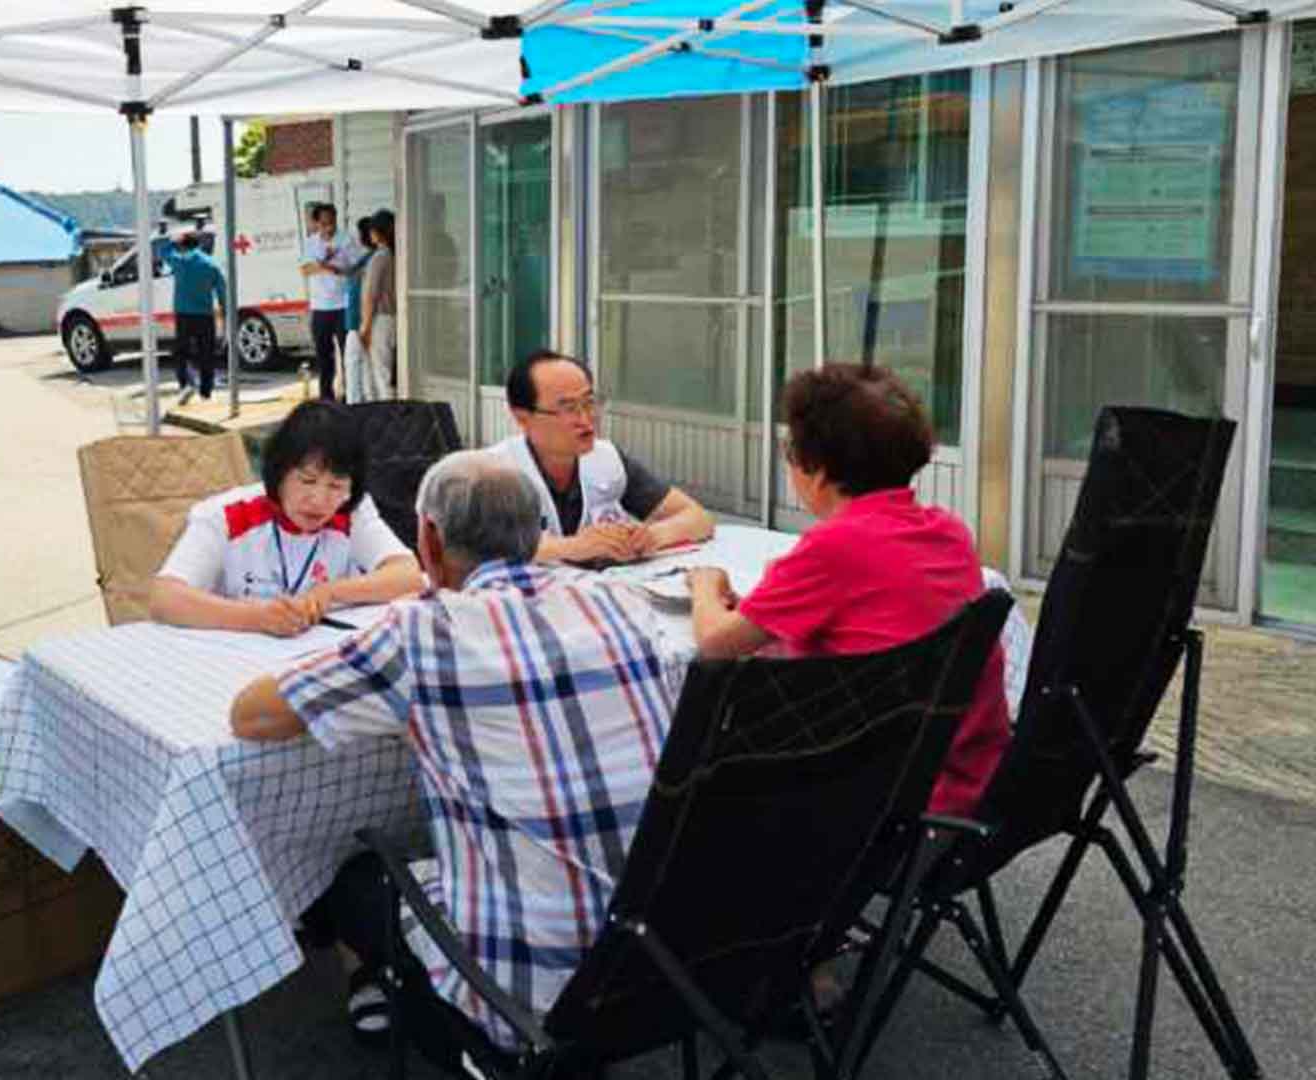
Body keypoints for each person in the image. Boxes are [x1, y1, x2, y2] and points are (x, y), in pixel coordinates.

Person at [230, 451, 677, 1075]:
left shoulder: (422, 633)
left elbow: (251, 716)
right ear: (534, 534)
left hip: (533, 1001)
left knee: (351, 872)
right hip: (667, 966)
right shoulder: (620, 603)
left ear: (430, 539)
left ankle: (452, 1039)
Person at [687, 363, 1009, 817]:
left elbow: (715, 644)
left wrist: (704, 585)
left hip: (887, 798)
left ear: (816, 470)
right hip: (969, 775)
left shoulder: (834, 547)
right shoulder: (948, 531)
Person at [150, 400, 424, 636]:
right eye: (307, 481)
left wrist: (329, 592)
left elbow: (408, 574)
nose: (319, 500)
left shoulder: (352, 511)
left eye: (335, 486)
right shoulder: (226, 513)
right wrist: (255, 618)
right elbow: (165, 597)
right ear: (279, 473)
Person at [495, 349, 714, 565]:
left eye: (589, 402)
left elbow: (697, 517)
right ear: (522, 418)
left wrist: (652, 536)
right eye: (569, 408)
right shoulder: (492, 471)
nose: (585, 419)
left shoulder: (605, 459)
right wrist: (573, 547)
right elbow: (484, 547)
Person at [162, 226, 227, 402]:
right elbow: (222, 292)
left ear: (182, 247)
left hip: (183, 315)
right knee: (206, 354)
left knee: (182, 353)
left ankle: (186, 384)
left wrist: (173, 241)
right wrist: (224, 311)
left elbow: (163, 252)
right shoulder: (211, 264)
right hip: (205, 315)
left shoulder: (179, 261)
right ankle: (206, 392)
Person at [300, 203, 358, 401]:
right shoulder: (310, 243)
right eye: (324, 223)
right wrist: (326, 267)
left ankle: (350, 395)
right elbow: (304, 270)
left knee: (348, 353)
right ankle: (326, 397)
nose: (329, 227)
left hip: (343, 305)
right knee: (324, 355)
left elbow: (354, 269)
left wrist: (332, 268)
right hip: (320, 307)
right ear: (316, 223)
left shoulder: (346, 240)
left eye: (332, 222)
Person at [356, 210, 397, 402]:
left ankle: (388, 412)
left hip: (380, 319)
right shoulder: (395, 254)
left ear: (378, 232)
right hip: (393, 318)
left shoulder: (380, 257)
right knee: (386, 372)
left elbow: (370, 295)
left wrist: (365, 326)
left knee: (381, 373)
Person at [342, 216, 377, 404]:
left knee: (355, 365)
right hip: (356, 321)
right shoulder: (365, 258)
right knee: (361, 367)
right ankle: (361, 402)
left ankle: (355, 405)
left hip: (360, 322)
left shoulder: (374, 258)